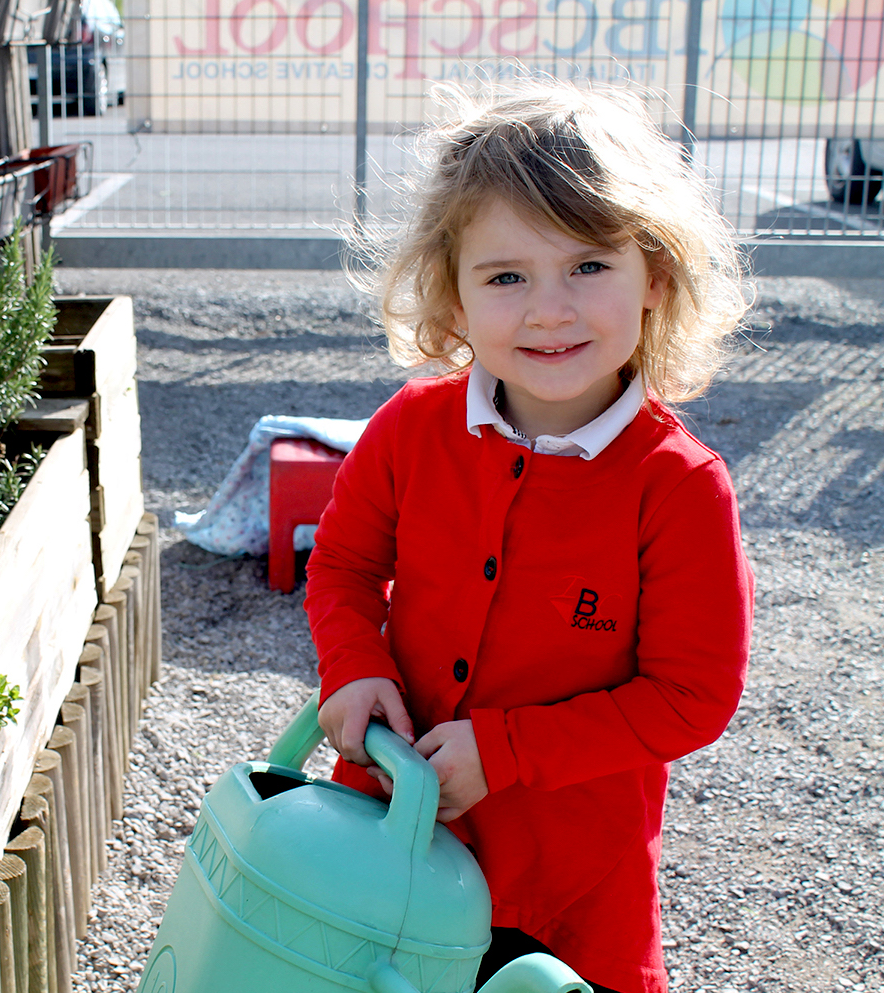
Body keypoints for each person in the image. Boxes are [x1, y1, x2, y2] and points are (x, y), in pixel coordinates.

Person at [303, 77, 755, 993]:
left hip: (571, 882)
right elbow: (347, 563)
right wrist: (353, 665)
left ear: (654, 280)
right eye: (507, 276)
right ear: (456, 300)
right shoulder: (411, 428)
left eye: (588, 266)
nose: (549, 309)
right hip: (396, 833)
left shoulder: (678, 487)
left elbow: (693, 694)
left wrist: (506, 751)